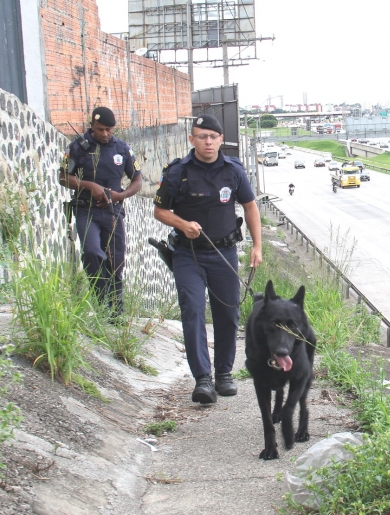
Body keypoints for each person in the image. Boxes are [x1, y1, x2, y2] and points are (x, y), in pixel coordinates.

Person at [153, 114, 263, 404]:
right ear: (192, 139)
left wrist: (257, 247)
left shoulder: (233, 171)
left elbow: (250, 207)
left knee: (227, 315)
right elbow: (160, 211)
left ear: (220, 140)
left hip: (224, 253)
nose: (208, 142)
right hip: (188, 255)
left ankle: (224, 374)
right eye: (202, 136)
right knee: (192, 311)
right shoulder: (178, 172)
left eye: (213, 137)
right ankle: (202, 379)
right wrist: (182, 224)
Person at [60, 106, 142, 316]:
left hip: (113, 211)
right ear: (92, 127)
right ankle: (100, 298)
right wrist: (90, 186)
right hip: (85, 210)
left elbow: (137, 180)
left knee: (116, 260)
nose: (105, 133)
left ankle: (116, 311)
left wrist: (120, 196)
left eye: (109, 129)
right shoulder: (77, 147)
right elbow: (63, 177)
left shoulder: (123, 148)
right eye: (100, 129)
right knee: (92, 252)